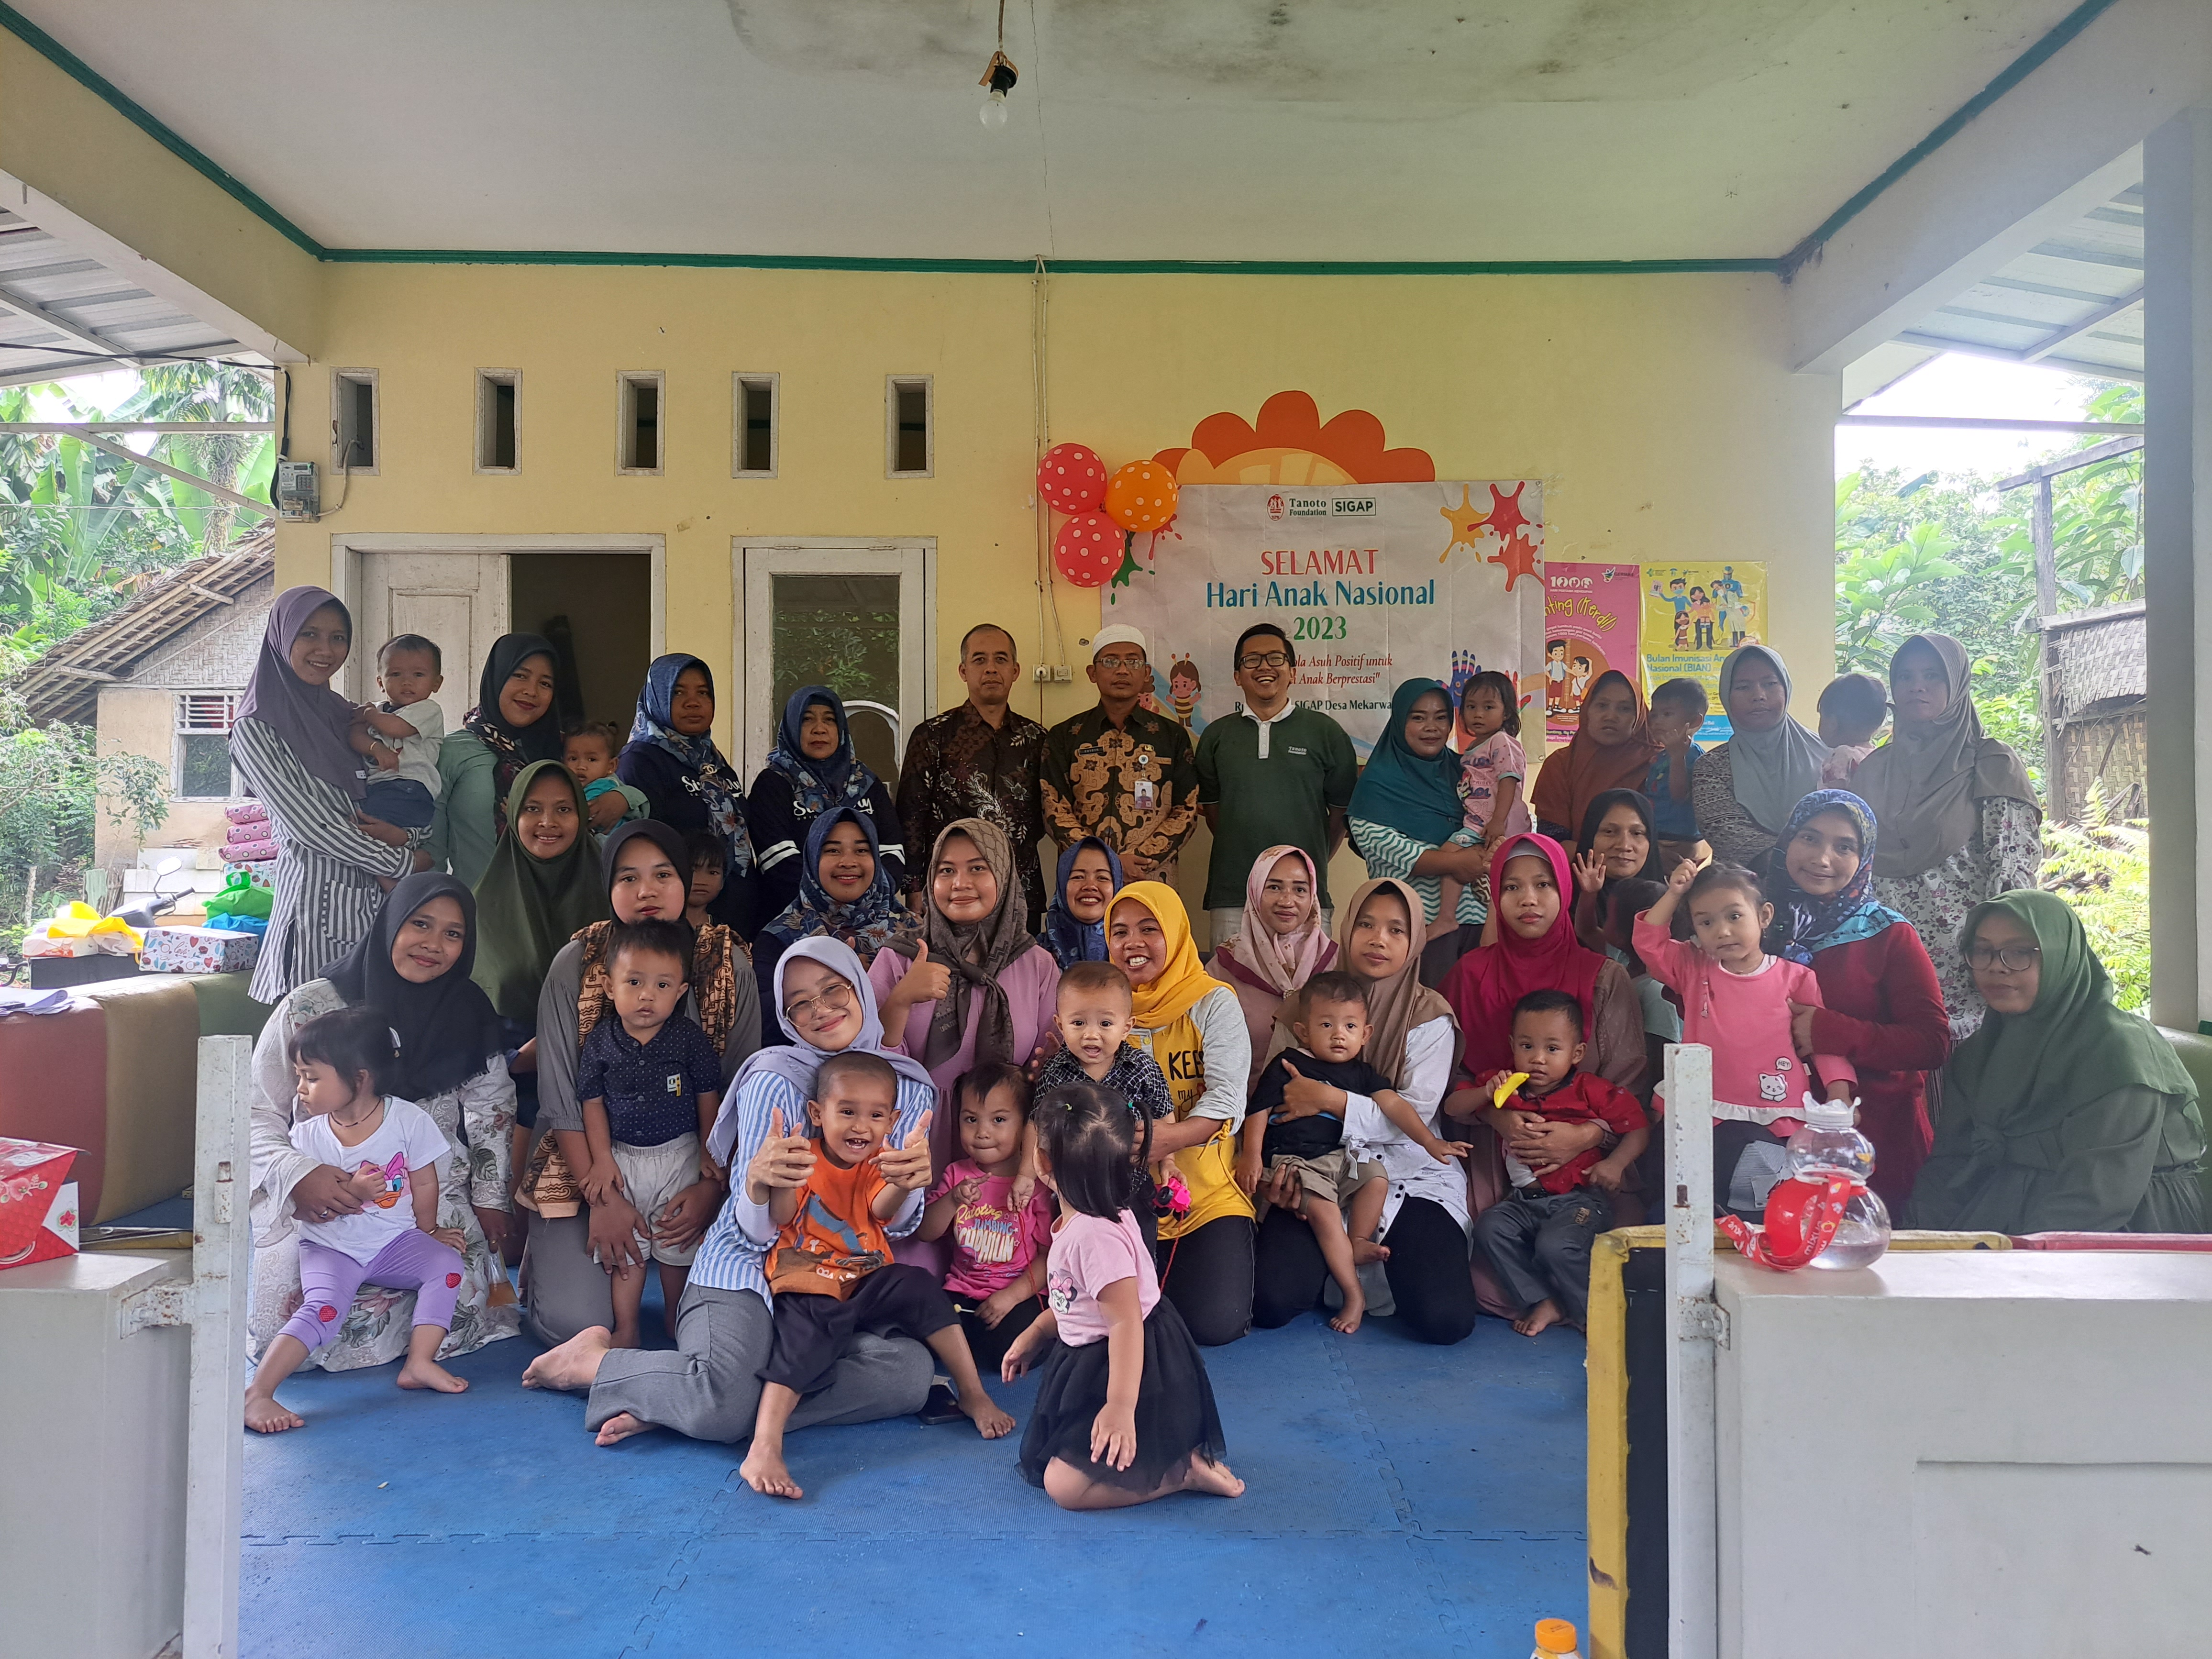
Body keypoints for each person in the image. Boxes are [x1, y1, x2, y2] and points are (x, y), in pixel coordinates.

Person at [521, 938, 936, 1451]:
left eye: (834, 989)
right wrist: (759, 1186)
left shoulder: (909, 1090)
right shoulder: (772, 1078)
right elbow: (750, 1229)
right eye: (799, 1003)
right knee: (723, 1402)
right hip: (746, 1273)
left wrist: (908, 1185)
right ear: (786, 1018)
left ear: (861, 987)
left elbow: (891, 1224)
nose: (820, 1010)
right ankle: (597, 1367)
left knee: (910, 1374)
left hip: (834, 1282)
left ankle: (686, 1398)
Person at [244, 873, 518, 1377]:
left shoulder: (467, 1010)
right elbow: (256, 1110)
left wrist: (489, 1198)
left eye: (453, 934)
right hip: (320, 1200)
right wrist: (299, 1175)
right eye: (420, 924)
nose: (433, 945)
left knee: (462, 1285)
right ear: (391, 923)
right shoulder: (310, 1007)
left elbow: (491, 1105)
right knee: (279, 1318)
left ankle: (418, 1357)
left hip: (426, 1196)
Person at [516, 822, 761, 1348]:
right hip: (589, 1158)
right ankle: (550, 1247)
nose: (646, 891)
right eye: (628, 877)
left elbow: (743, 1093)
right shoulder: (577, 964)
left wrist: (710, 1190)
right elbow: (564, 1100)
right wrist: (602, 1200)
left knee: (717, 1328)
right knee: (576, 1327)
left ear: (684, 880)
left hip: (694, 1163)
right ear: (608, 888)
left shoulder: (726, 964)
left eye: (662, 874)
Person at [741, 1051, 1013, 1499]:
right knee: (806, 1337)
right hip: (810, 1279)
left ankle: (971, 1391)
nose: (860, 1127)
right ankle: (764, 1445)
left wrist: (906, 1180)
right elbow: (781, 1214)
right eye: (847, 1112)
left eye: (875, 1115)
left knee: (922, 1288)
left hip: (867, 1275)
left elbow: (880, 1211)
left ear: (892, 1120)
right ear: (817, 1113)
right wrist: (785, 1179)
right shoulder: (804, 1156)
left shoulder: (880, 1161)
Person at [1252, 878, 1477, 1345]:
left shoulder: (1430, 1016)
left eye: (1397, 930)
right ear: (1347, 929)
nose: (1378, 939)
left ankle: (1356, 1268)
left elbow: (1408, 1118)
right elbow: (1277, 1102)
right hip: (1310, 1163)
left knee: (1444, 1320)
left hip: (1407, 1173)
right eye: (1366, 924)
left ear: (1415, 940)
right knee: (1270, 1303)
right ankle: (1334, 1273)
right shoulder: (1304, 1005)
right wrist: (1269, 1171)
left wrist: (1330, 1099)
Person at [1002, 1081, 1242, 1510]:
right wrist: (1038, 1331)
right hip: (1101, 1356)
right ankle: (1162, 1457)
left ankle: (1178, 1472)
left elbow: (1125, 1321)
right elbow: (1077, 1299)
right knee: (1062, 1460)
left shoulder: (1093, 1237)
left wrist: (1119, 1406)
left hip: (1127, 1366)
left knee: (1065, 1488)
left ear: (1041, 1161)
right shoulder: (1102, 1211)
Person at [1909, 892, 2206, 1235]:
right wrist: (1915, 1237)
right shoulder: (1979, 1052)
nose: (1996, 965)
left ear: (2061, 955)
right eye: (1982, 950)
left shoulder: (2118, 1049)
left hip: (2127, 1224)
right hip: (2005, 1207)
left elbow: (2097, 1197)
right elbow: (1949, 1164)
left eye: (2020, 952)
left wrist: (2020, 1267)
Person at [243, 1006, 473, 1432]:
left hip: (394, 1242)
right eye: (299, 1076)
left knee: (447, 1267)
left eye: (311, 1077)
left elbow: (424, 1182)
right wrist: (356, 1191)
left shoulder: (407, 1121)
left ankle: (420, 1363)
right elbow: (311, 1205)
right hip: (332, 1247)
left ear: (360, 1079)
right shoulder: (306, 1137)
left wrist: (429, 1230)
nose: (300, 1089)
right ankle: (258, 1393)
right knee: (324, 1310)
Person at [228, 586, 422, 1002]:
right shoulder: (256, 728)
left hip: (380, 916)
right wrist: (403, 863)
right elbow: (312, 827)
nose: (325, 649)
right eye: (309, 635)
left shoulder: (347, 716)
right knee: (318, 1054)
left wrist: (409, 840)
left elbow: (403, 789)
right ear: (282, 637)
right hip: (315, 917)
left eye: (338, 638)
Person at [1634, 860, 1857, 1217]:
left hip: (1776, 1114)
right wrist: (1675, 893)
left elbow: (1823, 1041)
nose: (1722, 931)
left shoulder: (1796, 978)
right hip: (1704, 1109)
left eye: (1734, 916)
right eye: (1706, 922)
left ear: (1764, 915)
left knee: (1758, 1208)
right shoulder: (1692, 968)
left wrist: (1839, 1093)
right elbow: (1648, 942)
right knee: (1691, 1204)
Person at [1849, 633, 2044, 1038]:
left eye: (1933, 675)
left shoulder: (1990, 763)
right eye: (1905, 676)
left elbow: (2012, 877)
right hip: (1884, 959)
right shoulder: (1871, 771)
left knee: (1965, 1091)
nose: (1917, 686)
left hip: (1966, 968)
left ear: (1957, 684)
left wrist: (1999, 960)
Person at [1768, 792, 1950, 1208]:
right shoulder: (1754, 922)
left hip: (1874, 1143)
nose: (1822, 858)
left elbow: (1931, 1041)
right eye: (1809, 839)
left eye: (1844, 846)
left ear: (1864, 855)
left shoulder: (1888, 934)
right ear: (1787, 842)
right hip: (1768, 1134)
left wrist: (1832, 1031)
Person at [1106, 882, 1254, 1346]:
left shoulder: (1213, 1001)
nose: (1133, 943)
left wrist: (1168, 1140)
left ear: (1175, 932)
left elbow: (1228, 1095)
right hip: (1120, 1196)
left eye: (1149, 929)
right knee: (1118, 1324)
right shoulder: (1100, 1007)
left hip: (1205, 1195)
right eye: (1120, 931)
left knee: (1215, 1323)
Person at [872, 819, 1060, 1171]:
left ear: (1003, 876)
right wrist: (901, 1000)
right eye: (946, 871)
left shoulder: (1037, 965)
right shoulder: (900, 958)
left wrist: (1044, 1065)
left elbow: (1049, 1059)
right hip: (912, 1144)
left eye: (978, 868)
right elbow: (868, 1062)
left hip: (1003, 1155)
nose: (960, 884)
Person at [575, 919, 727, 1350]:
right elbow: (592, 1103)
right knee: (628, 1252)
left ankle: (678, 1319)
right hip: (622, 1159)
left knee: (676, 1243)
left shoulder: (688, 1039)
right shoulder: (601, 1042)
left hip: (680, 1155)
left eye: (662, 986)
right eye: (635, 982)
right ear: (609, 985)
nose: (647, 995)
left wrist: (709, 1150)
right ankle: (627, 1327)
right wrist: (602, 1159)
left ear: (681, 992)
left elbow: (706, 1094)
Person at [469, 761, 609, 1211]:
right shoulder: (478, 908)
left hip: (603, 1083)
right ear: (512, 815)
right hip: (515, 1087)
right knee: (511, 1240)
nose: (547, 823)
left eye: (563, 809)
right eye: (533, 808)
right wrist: (514, 1060)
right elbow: (462, 1024)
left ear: (582, 816)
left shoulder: (613, 896)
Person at [1470, 990, 1648, 1336]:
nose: (1538, 1059)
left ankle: (1598, 1315)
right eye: (1527, 1047)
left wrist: (1614, 1166)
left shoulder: (1589, 1090)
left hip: (1578, 1200)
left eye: (1552, 1049)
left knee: (1556, 1247)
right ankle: (1545, 1300)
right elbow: (1454, 1107)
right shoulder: (1507, 1085)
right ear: (1512, 1045)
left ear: (1577, 1053)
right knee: (1489, 1229)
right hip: (1523, 1202)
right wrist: (1488, 1101)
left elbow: (1639, 1129)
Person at [1197, 624, 1358, 946]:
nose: (1265, 667)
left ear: (1293, 672)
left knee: (1307, 993)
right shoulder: (1216, 737)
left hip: (1304, 896)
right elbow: (1216, 814)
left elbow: (1340, 814)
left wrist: (1307, 865)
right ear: (1237, 676)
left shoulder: (1326, 733)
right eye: (1252, 661)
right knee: (1232, 992)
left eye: (1275, 658)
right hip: (1233, 894)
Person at [896, 623, 1049, 925]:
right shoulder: (932, 736)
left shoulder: (1037, 739)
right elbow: (911, 815)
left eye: (1001, 660)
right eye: (980, 660)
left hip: (1020, 889)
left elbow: (1046, 814)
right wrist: (914, 889)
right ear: (964, 671)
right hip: (953, 890)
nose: (991, 669)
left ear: (1015, 671)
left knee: (1020, 971)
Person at [916, 1061, 1057, 1373]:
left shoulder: (1036, 1185)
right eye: (971, 1119)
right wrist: (953, 1200)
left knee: (1009, 1354)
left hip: (1020, 1294)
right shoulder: (957, 1174)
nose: (982, 1132)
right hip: (962, 1292)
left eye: (999, 1120)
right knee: (928, 1340)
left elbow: (1050, 1257)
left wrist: (1009, 1297)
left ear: (1025, 1127)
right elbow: (926, 1231)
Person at [1040, 626, 1200, 882]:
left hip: (1149, 875)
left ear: (1146, 673)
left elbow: (1187, 809)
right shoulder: (1065, 736)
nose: (1122, 670)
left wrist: (1142, 859)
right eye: (1110, 661)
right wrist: (1105, 862)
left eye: (1133, 662)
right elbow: (1054, 808)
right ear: (1092, 673)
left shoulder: (1172, 736)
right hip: (1085, 878)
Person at [1348, 678, 1491, 959]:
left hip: (1478, 923)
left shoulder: (1465, 770)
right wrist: (1458, 861)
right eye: (1418, 718)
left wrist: (1484, 854)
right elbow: (1382, 844)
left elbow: (1491, 817)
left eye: (1441, 718)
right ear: (1400, 721)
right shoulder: (1378, 782)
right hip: (1411, 927)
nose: (1431, 728)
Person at [617, 654, 756, 936]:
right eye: (678, 692)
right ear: (658, 697)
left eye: (703, 693)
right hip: (677, 917)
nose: (693, 702)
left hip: (733, 907)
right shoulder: (641, 759)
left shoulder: (712, 761)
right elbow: (644, 841)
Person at [756, 807, 920, 1038]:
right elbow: (764, 1027)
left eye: (862, 850)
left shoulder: (914, 932)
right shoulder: (779, 939)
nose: (848, 862)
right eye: (833, 851)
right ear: (813, 860)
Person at [751, 685, 905, 927]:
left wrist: (864, 897)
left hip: (871, 917)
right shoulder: (773, 785)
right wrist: (833, 902)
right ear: (792, 727)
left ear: (841, 729)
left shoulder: (866, 783)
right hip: (797, 919)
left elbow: (892, 849)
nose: (819, 729)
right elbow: (777, 860)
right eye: (807, 720)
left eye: (830, 720)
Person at [431, 632, 565, 888]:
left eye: (546, 684)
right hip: (478, 912)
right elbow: (432, 849)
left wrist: (625, 797)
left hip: (551, 906)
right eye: (520, 676)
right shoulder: (453, 752)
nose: (531, 691)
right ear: (497, 677)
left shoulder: (561, 751)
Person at [1688, 645, 1830, 872]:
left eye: (1770, 684)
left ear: (1786, 688)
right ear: (1727, 695)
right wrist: (1808, 858)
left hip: (1826, 887)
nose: (1758, 696)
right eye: (1743, 687)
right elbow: (1729, 835)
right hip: (1743, 894)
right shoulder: (1711, 768)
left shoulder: (1828, 754)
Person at [1210, 846, 1338, 1091]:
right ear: (1256, 890)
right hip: (1243, 1109)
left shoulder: (1335, 963)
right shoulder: (1224, 968)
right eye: (1274, 887)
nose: (1287, 901)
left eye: (1300, 889)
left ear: (1312, 896)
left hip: (1324, 1113)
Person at [1528, 670, 1658, 859]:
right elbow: (1553, 842)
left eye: (1624, 709)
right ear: (1587, 709)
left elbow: (1675, 840)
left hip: (1645, 880)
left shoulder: (1658, 763)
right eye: (1602, 706)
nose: (1611, 716)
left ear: (1639, 716)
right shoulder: (1561, 764)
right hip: (1577, 875)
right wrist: (1611, 858)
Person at [352, 634, 444, 832]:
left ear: (436, 683)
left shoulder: (428, 710)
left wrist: (369, 715)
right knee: (364, 823)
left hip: (411, 787)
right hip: (376, 787)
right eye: (396, 674)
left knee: (370, 827)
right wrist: (375, 747)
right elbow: (355, 735)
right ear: (380, 682)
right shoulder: (378, 710)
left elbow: (398, 728)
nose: (406, 682)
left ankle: (404, 845)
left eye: (418, 675)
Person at [1569, 789, 1662, 952]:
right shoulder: (1560, 900)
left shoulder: (1670, 902)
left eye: (1637, 833)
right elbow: (1585, 931)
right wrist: (1589, 895)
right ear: (1590, 836)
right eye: (1610, 832)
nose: (1624, 845)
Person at [1642, 677, 1708, 868]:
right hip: (1658, 835)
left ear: (1694, 721)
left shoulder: (1694, 755)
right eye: (1654, 715)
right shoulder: (1661, 755)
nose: (1657, 722)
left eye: (1667, 714)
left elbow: (1680, 796)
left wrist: (1678, 758)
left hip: (1681, 839)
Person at [1039, 837, 1124, 971]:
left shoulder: (1132, 954)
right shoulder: (1035, 958)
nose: (1090, 886)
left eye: (1102, 878)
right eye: (1078, 877)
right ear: (1061, 886)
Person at [564, 719, 650, 832]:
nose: (581, 766)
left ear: (611, 766)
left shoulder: (603, 786)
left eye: (592, 760)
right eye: (573, 759)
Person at [1815, 673, 1888, 787]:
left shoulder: (1842, 756)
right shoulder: (1877, 755)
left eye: (1822, 717)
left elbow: (1833, 798)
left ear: (1833, 723)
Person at [685, 830, 726, 928]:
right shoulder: (660, 925)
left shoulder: (723, 932)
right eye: (693, 871)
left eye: (713, 873)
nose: (702, 881)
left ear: (722, 882)